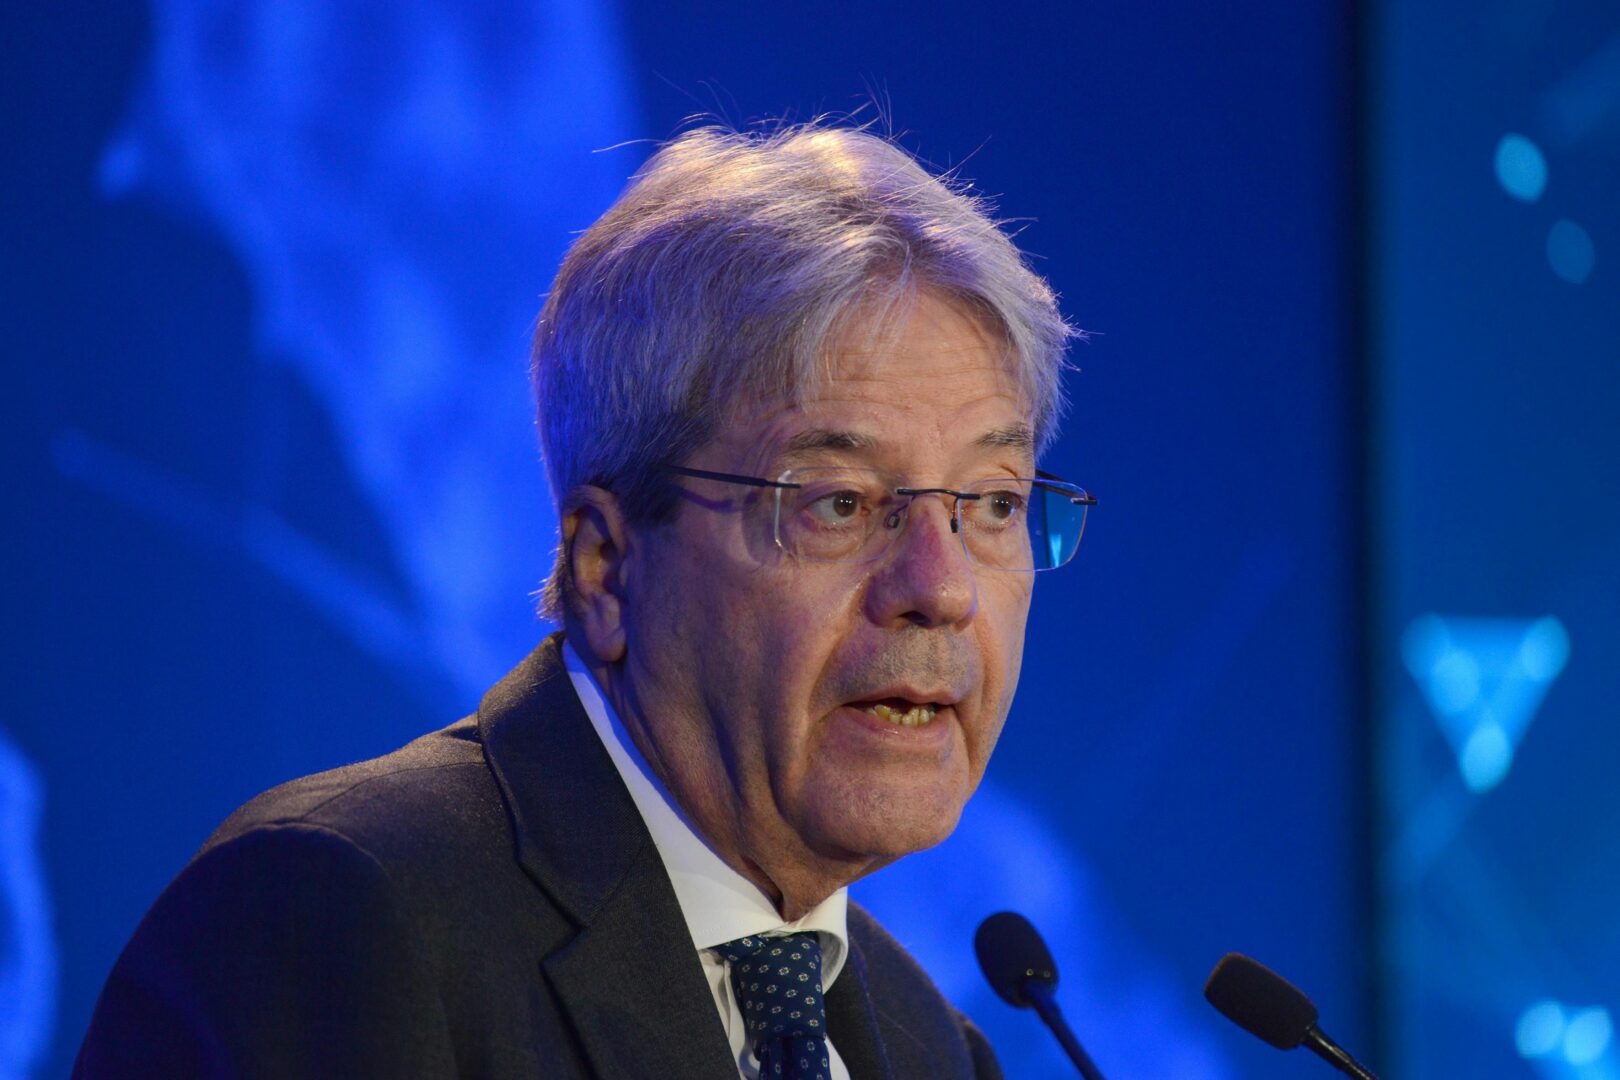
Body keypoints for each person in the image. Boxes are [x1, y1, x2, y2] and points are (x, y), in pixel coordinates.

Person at [74, 120, 1093, 1079]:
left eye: (994, 503)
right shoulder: (337, 918)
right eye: (838, 502)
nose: (941, 587)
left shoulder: (927, 1047)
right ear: (607, 566)